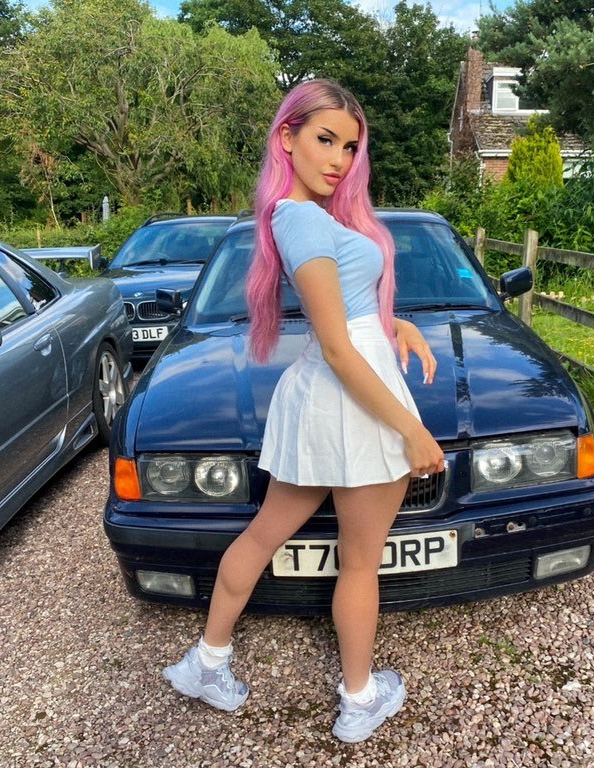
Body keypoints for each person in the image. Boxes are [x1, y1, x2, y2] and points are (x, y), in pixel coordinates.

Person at [162, 79, 446, 743]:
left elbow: (345, 312)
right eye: (326, 139)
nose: (339, 159)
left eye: (349, 147)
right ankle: (359, 700)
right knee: (359, 562)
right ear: (286, 138)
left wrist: (394, 322)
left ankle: (207, 662)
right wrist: (412, 430)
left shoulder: (306, 218)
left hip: (332, 393)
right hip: (352, 394)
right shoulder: (303, 220)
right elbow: (340, 349)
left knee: (264, 535)